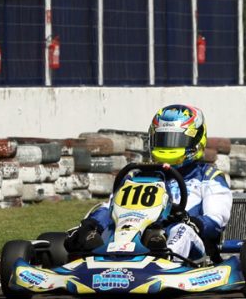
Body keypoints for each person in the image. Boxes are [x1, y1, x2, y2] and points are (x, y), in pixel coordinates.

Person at [66, 104, 232, 261]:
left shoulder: (208, 176)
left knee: (181, 230)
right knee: (100, 229)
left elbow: (216, 220)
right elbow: (112, 207)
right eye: (163, 139)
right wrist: (91, 226)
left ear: (196, 140)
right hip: (137, 235)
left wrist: (190, 221)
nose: (168, 146)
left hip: (191, 246)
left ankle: (164, 259)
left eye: (176, 140)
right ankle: (92, 255)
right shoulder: (139, 175)